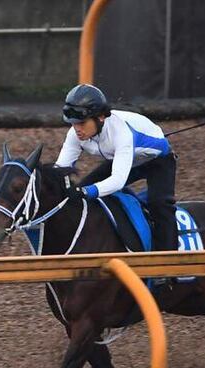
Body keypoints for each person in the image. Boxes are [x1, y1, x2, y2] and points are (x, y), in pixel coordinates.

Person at [56, 84, 178, 256]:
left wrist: (85, 191)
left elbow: (117, 180)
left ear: (100, 118)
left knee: (160, 204)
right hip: (124, 158)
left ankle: (169, 265)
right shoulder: (75, 133)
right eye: (73, 123)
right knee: (82, 195)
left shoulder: (121, 133)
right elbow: (60, 170)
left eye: (82, 123)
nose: (77, 129)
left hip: (158, 162)